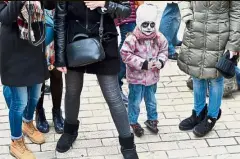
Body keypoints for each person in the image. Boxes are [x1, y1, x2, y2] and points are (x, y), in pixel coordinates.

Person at [54, 1, 139, 158]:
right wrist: (59, 57)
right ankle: (69, 131)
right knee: (72, 92)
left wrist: (104, 3)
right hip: (75, 43)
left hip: (105, 43)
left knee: (113, 97)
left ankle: (127, 143)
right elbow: (59, 20)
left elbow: (127, 11)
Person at [0, 1, 55, 159]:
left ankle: (28, 123)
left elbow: (51, 5)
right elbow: (5, 17)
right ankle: (16, 142)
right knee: (20, 102)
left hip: (35, 46)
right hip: (13, 50)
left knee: (35, 95)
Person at [178, 1, 240, 137]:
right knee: (197, 75)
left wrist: (233, 45)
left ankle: (212, 116)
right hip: (196, 32)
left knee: (216, 79)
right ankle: (199, 113)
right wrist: (187, 15)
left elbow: (237, 13)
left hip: (220, 37)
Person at [121, 3, 168, 137]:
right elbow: (125, 54)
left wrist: (160, 61)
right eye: (145, 24)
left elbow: (164, 51)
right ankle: (133, 121)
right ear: (139, 23)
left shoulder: (159, 38)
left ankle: (152, 119)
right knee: (135, 101)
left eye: (152, 24)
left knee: (151, 100)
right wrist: (142, 64)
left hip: (152, 77)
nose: (148, 28)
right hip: (136, 79)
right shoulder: (132, 38)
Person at [35, 9, 64, 134]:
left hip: (56, 33)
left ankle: (57, 112)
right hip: (36, 33)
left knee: (57, 75)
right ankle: (39, 112)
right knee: (38, 78)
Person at [115, 0, 143, 107]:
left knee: (129, 47)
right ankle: (116, 83)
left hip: (131, 14)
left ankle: (118, 79)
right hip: (127, 15)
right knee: (126, 48)